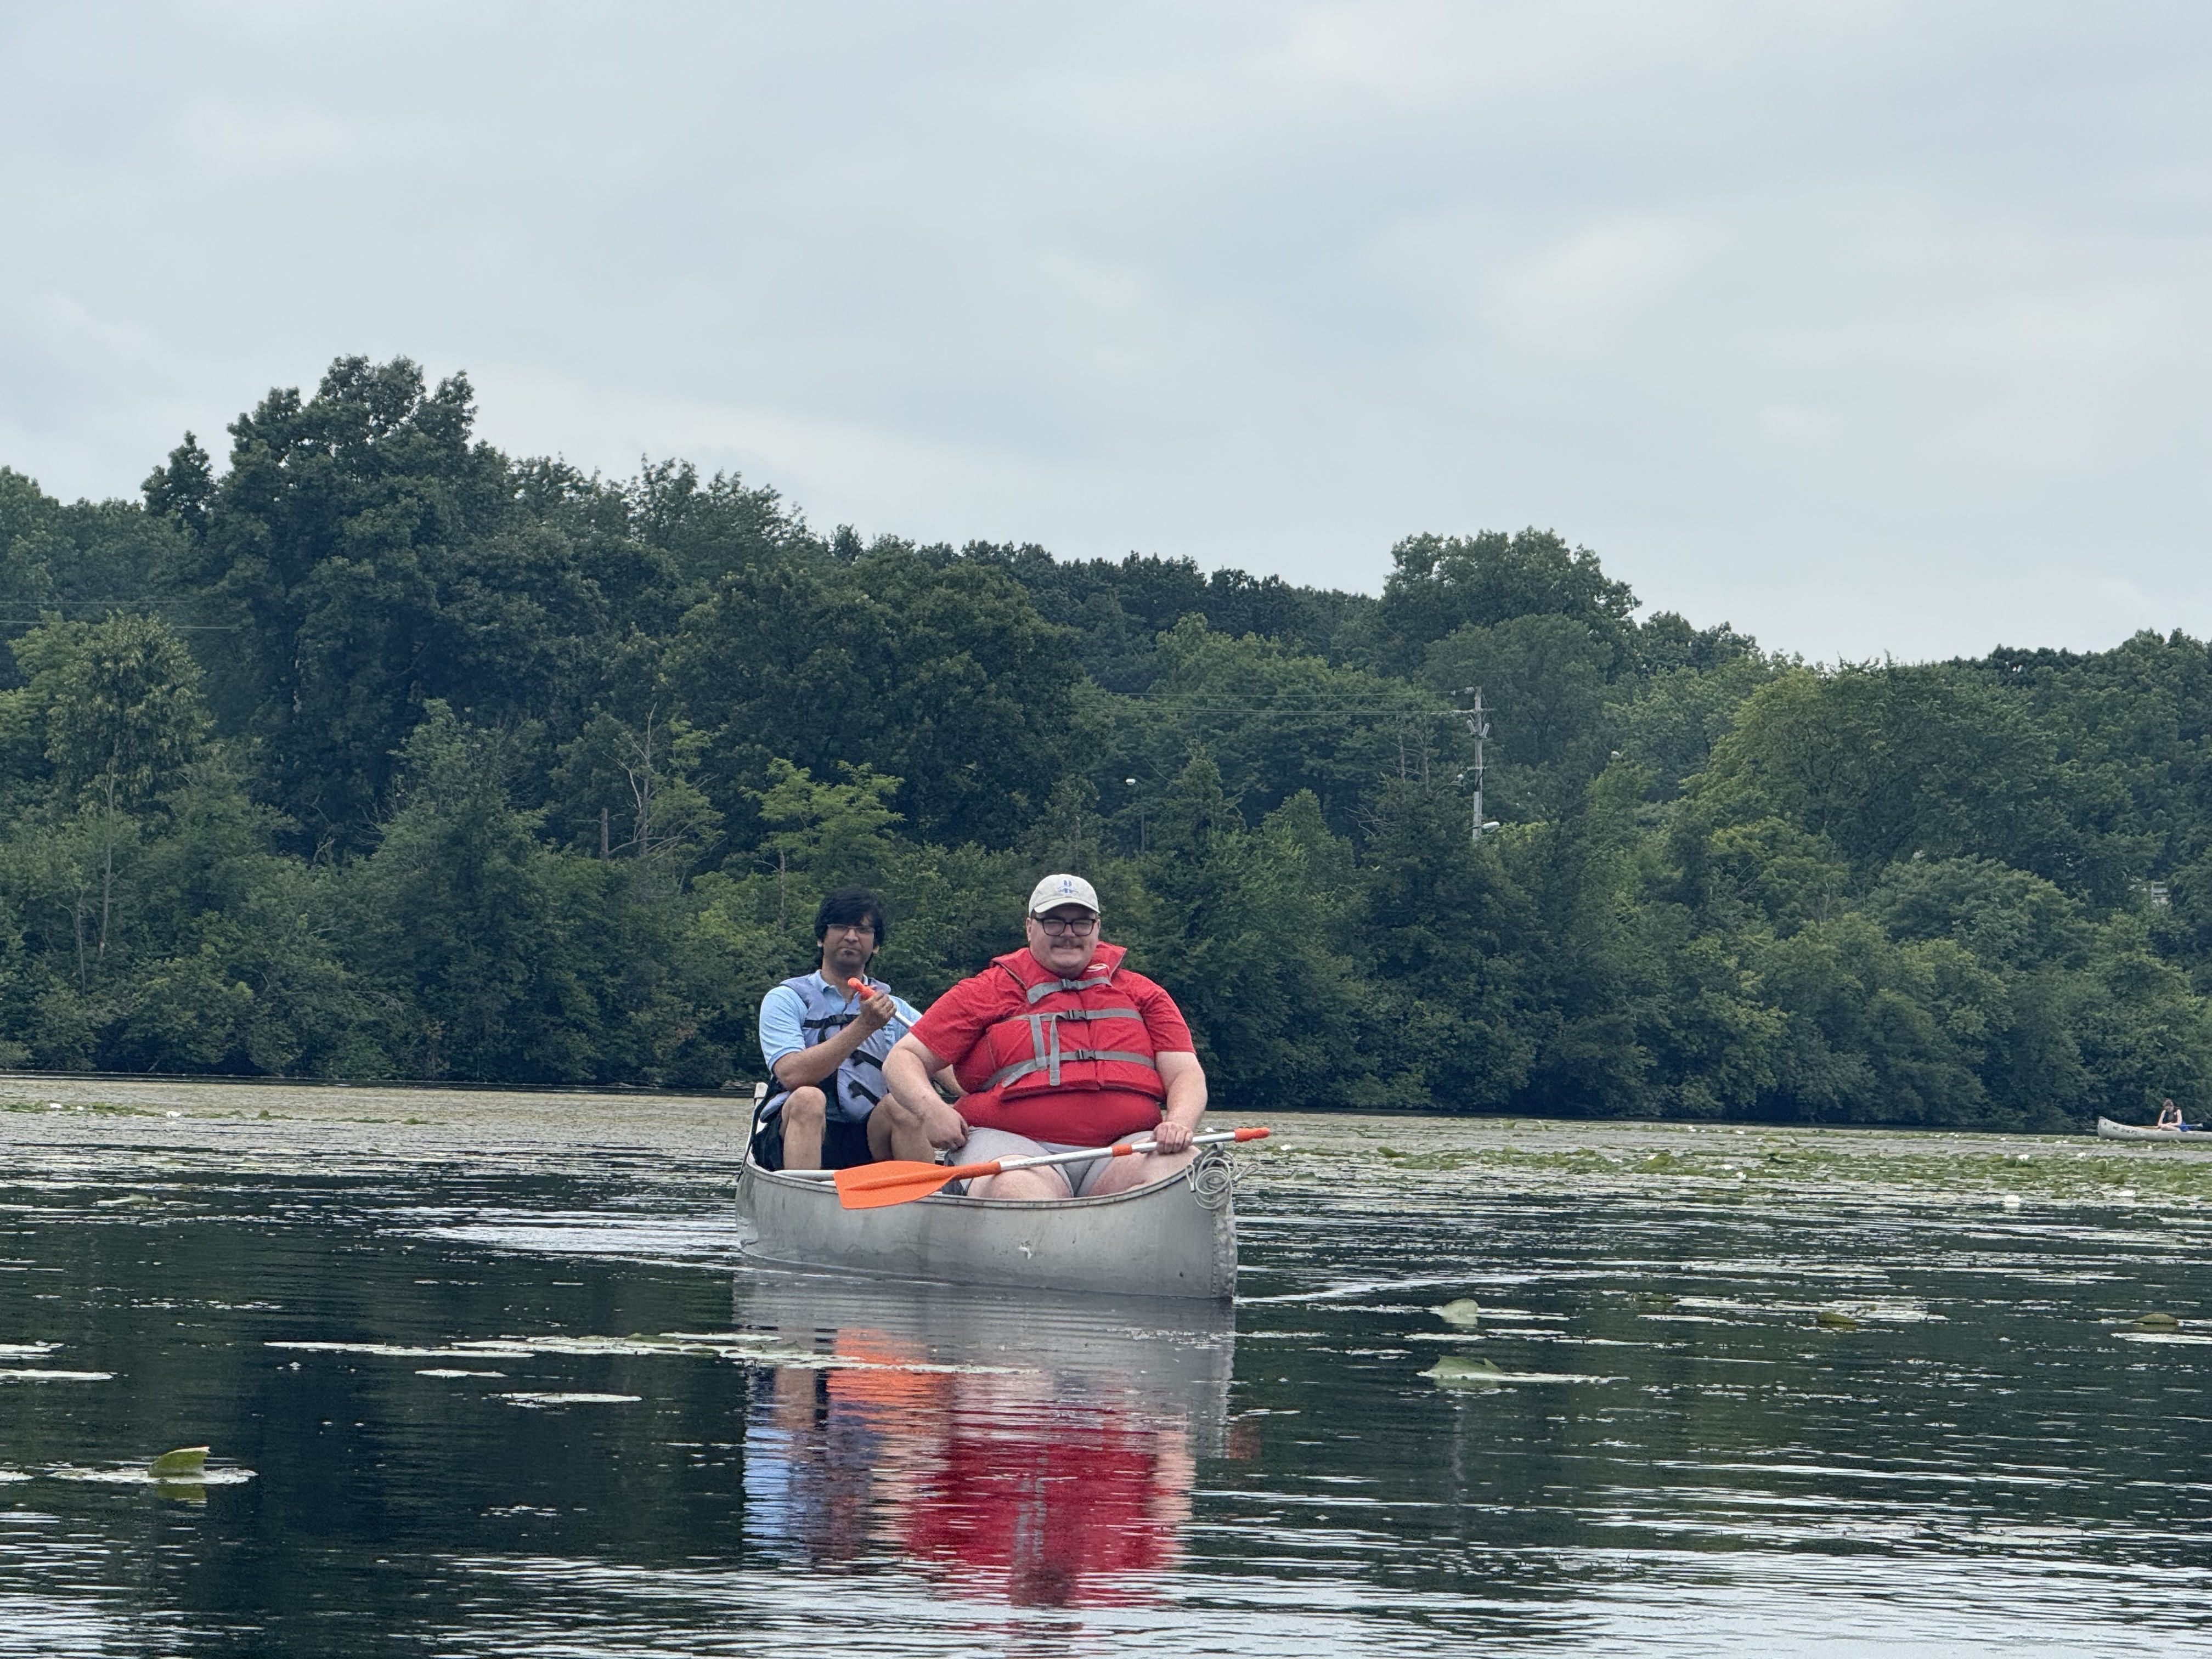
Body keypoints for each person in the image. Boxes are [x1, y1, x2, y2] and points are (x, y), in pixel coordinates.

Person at [879, 873, 1207, 1200]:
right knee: (1014, 1186)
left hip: (1121, 1151)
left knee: (1185, 1166)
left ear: (1097, 928)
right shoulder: (985, 991)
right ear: (1030, 927)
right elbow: (903, 1059)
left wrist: (1177, 1123)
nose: (1068, 935)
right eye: (1053, 922)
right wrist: (932, 1110)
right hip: (1013, 1148)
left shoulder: (1143, 993)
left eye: (1081, 923)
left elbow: (1185, 1073)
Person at [754, 888, 946, 1171]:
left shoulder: (894, 1008)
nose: (852, 937)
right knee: (808, 1098)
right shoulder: (785, 999)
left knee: (903, 1105)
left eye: (863, 929)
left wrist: (980, 1091)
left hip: (869, 1137)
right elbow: (791, 1073)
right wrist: (863, 1026)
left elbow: (942, 1055)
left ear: (875, 945)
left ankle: (924, 1201)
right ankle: (804, 1200)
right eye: (841, 927)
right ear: (821, 938)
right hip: (797, 1131)